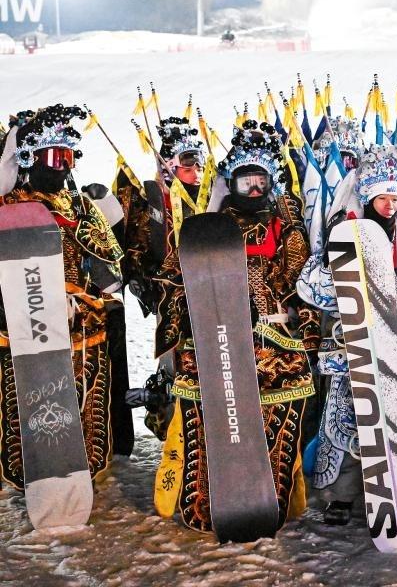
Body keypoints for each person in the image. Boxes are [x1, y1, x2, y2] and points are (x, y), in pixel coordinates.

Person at [152, 120, 319, 533]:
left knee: (275, 428)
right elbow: (174, 278)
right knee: (212, 422)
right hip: (216, 340)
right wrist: (187, 316)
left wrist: (309, 330)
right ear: (231, 182)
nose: (255, 190)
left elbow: (304, 283)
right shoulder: (207, 227)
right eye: (247, 182)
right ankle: (208, 504)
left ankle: (269, 500)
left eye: (262, 181)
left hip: (274, 339)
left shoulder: (286, 225)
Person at [299, 144, 397, 526]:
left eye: (395, 198)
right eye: (382, 197)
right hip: (355, 341)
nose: (389, 205)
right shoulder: (343, 231)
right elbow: (310, 287)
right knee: (353, 417)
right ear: (367, 197)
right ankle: (343, 495)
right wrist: (335, 273)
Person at [0, 104, 124, 489]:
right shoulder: (10, 207)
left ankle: (83, 466)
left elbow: (111, 265)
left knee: (84, 396)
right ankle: (31, 471)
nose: (61, 166)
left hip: (83, 325)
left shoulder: (83, 205)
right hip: (27, 322)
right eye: (53, 157)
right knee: (29, 397)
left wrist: (98, 289)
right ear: (29, 158)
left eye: (67, 157)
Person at [115, 116, 208, 440]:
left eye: (198, 167)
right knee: (174, 358)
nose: (196, 174)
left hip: (208, 293)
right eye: (187, 167)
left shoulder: (209, 195)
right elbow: (138, 243)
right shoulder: (155, 197)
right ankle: (171, 422)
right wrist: (141, 278)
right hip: (169, 297)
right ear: (170, 167)